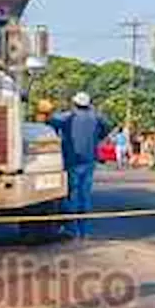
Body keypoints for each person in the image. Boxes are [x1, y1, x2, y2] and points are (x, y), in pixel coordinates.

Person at [51, 92, 110, 239]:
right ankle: (84, 230)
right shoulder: (97, 118)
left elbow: (50, 124)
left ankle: (72, 230)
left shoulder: (66, 117)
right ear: (89, 104)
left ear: (74, 103)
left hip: (72, 160)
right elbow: (106, 129)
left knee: (72, 195)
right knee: (85, 195)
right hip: (89, 160)